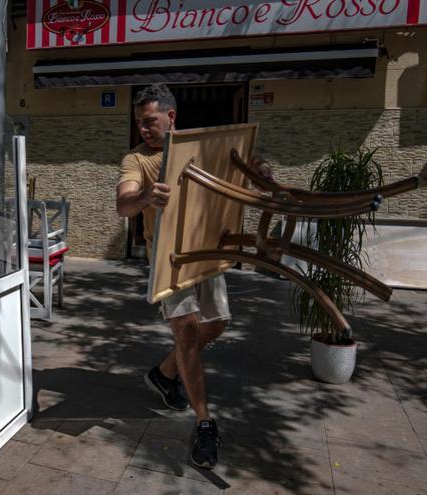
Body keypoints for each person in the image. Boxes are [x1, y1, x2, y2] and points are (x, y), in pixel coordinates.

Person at [116, 84, 272, 469]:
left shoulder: (197, 147)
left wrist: (262, 172)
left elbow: (244, 158)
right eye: (139, 122)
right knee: (186, 332)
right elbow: (123, 203)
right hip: (170, 258)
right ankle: (204, 422)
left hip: (206, 249)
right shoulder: (136, 159)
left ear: (171, 116)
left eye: (149, 121)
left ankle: (164, 373)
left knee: (216, 324)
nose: (143, 129)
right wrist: (145, 197)